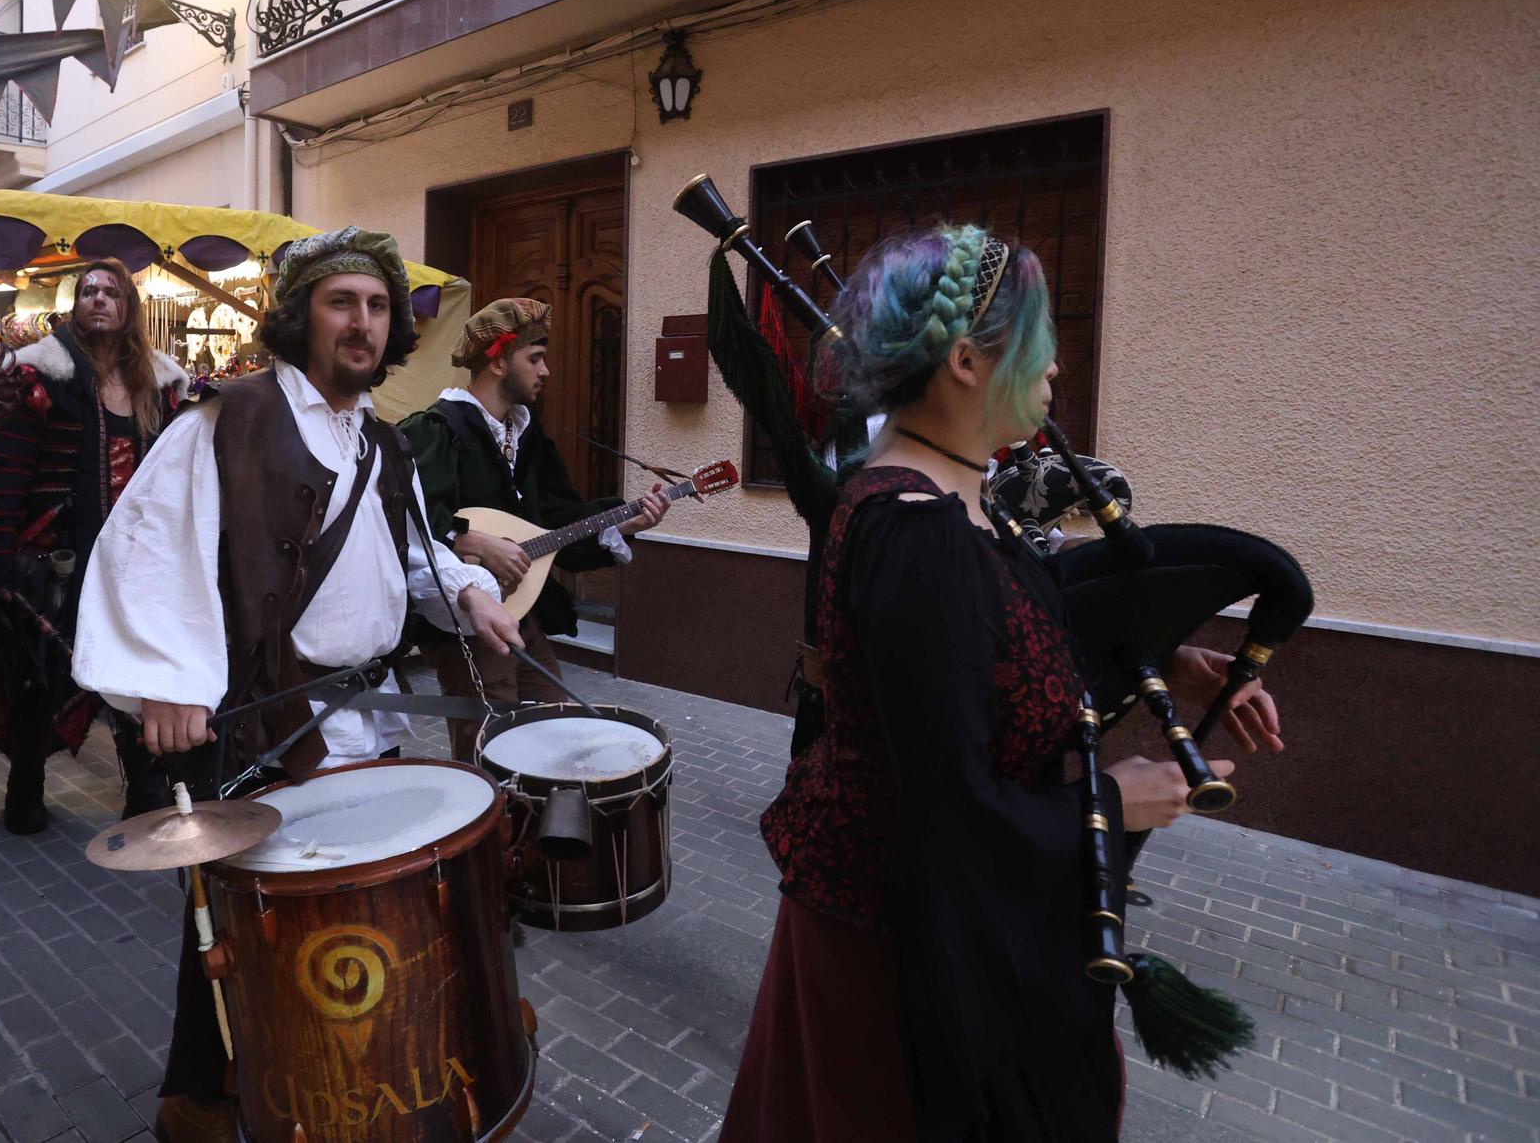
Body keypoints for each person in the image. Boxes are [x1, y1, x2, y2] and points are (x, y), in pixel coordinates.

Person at [719, 226, 1278, 1142]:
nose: (1056, 363)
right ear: (969, 360)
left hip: (900, 924)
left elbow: (1014, 622)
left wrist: (1174, 654)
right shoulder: (919, 533)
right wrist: (1111, 803)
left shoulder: (952, 495)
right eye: (1039, 338)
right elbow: (950, 808)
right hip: (893, 956)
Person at [69, 226, 523, 1143]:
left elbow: (407, 548)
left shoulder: (385, 444)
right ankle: (210, 1091)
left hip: (372, 714)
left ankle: (366, 1067)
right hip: (271, 720)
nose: (363, 323)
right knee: (251, 919)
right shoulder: (229, 417)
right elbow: (148, 542)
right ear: (299, 316)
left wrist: (468, 590)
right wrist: (164, 677)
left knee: (366, 901)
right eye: (341, 302)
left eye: (378, 306)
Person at [401, 296, 669, 758]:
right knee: (489, 743)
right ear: (500, 361)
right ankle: (488, 826)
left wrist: (624, 521)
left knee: (552, 720)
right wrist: (475, 540)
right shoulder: (437, 430)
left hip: (523, 609)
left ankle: (532, 829)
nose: (546, 371)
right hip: (465, 621)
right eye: (536, 357)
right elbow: (414, 523)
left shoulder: (528, 436)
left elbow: (559, 522)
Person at [0, 259, 189, 834]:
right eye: (88, 290)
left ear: (128, 309)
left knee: (139, 677)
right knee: (41, 675)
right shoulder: (40, 376)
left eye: (111, 292)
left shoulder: (160, 385)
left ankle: (145, 793)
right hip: (60, 556)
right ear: (76, 304)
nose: (98, 299)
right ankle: (25, 787)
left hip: (138, 559)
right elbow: (11, 470)